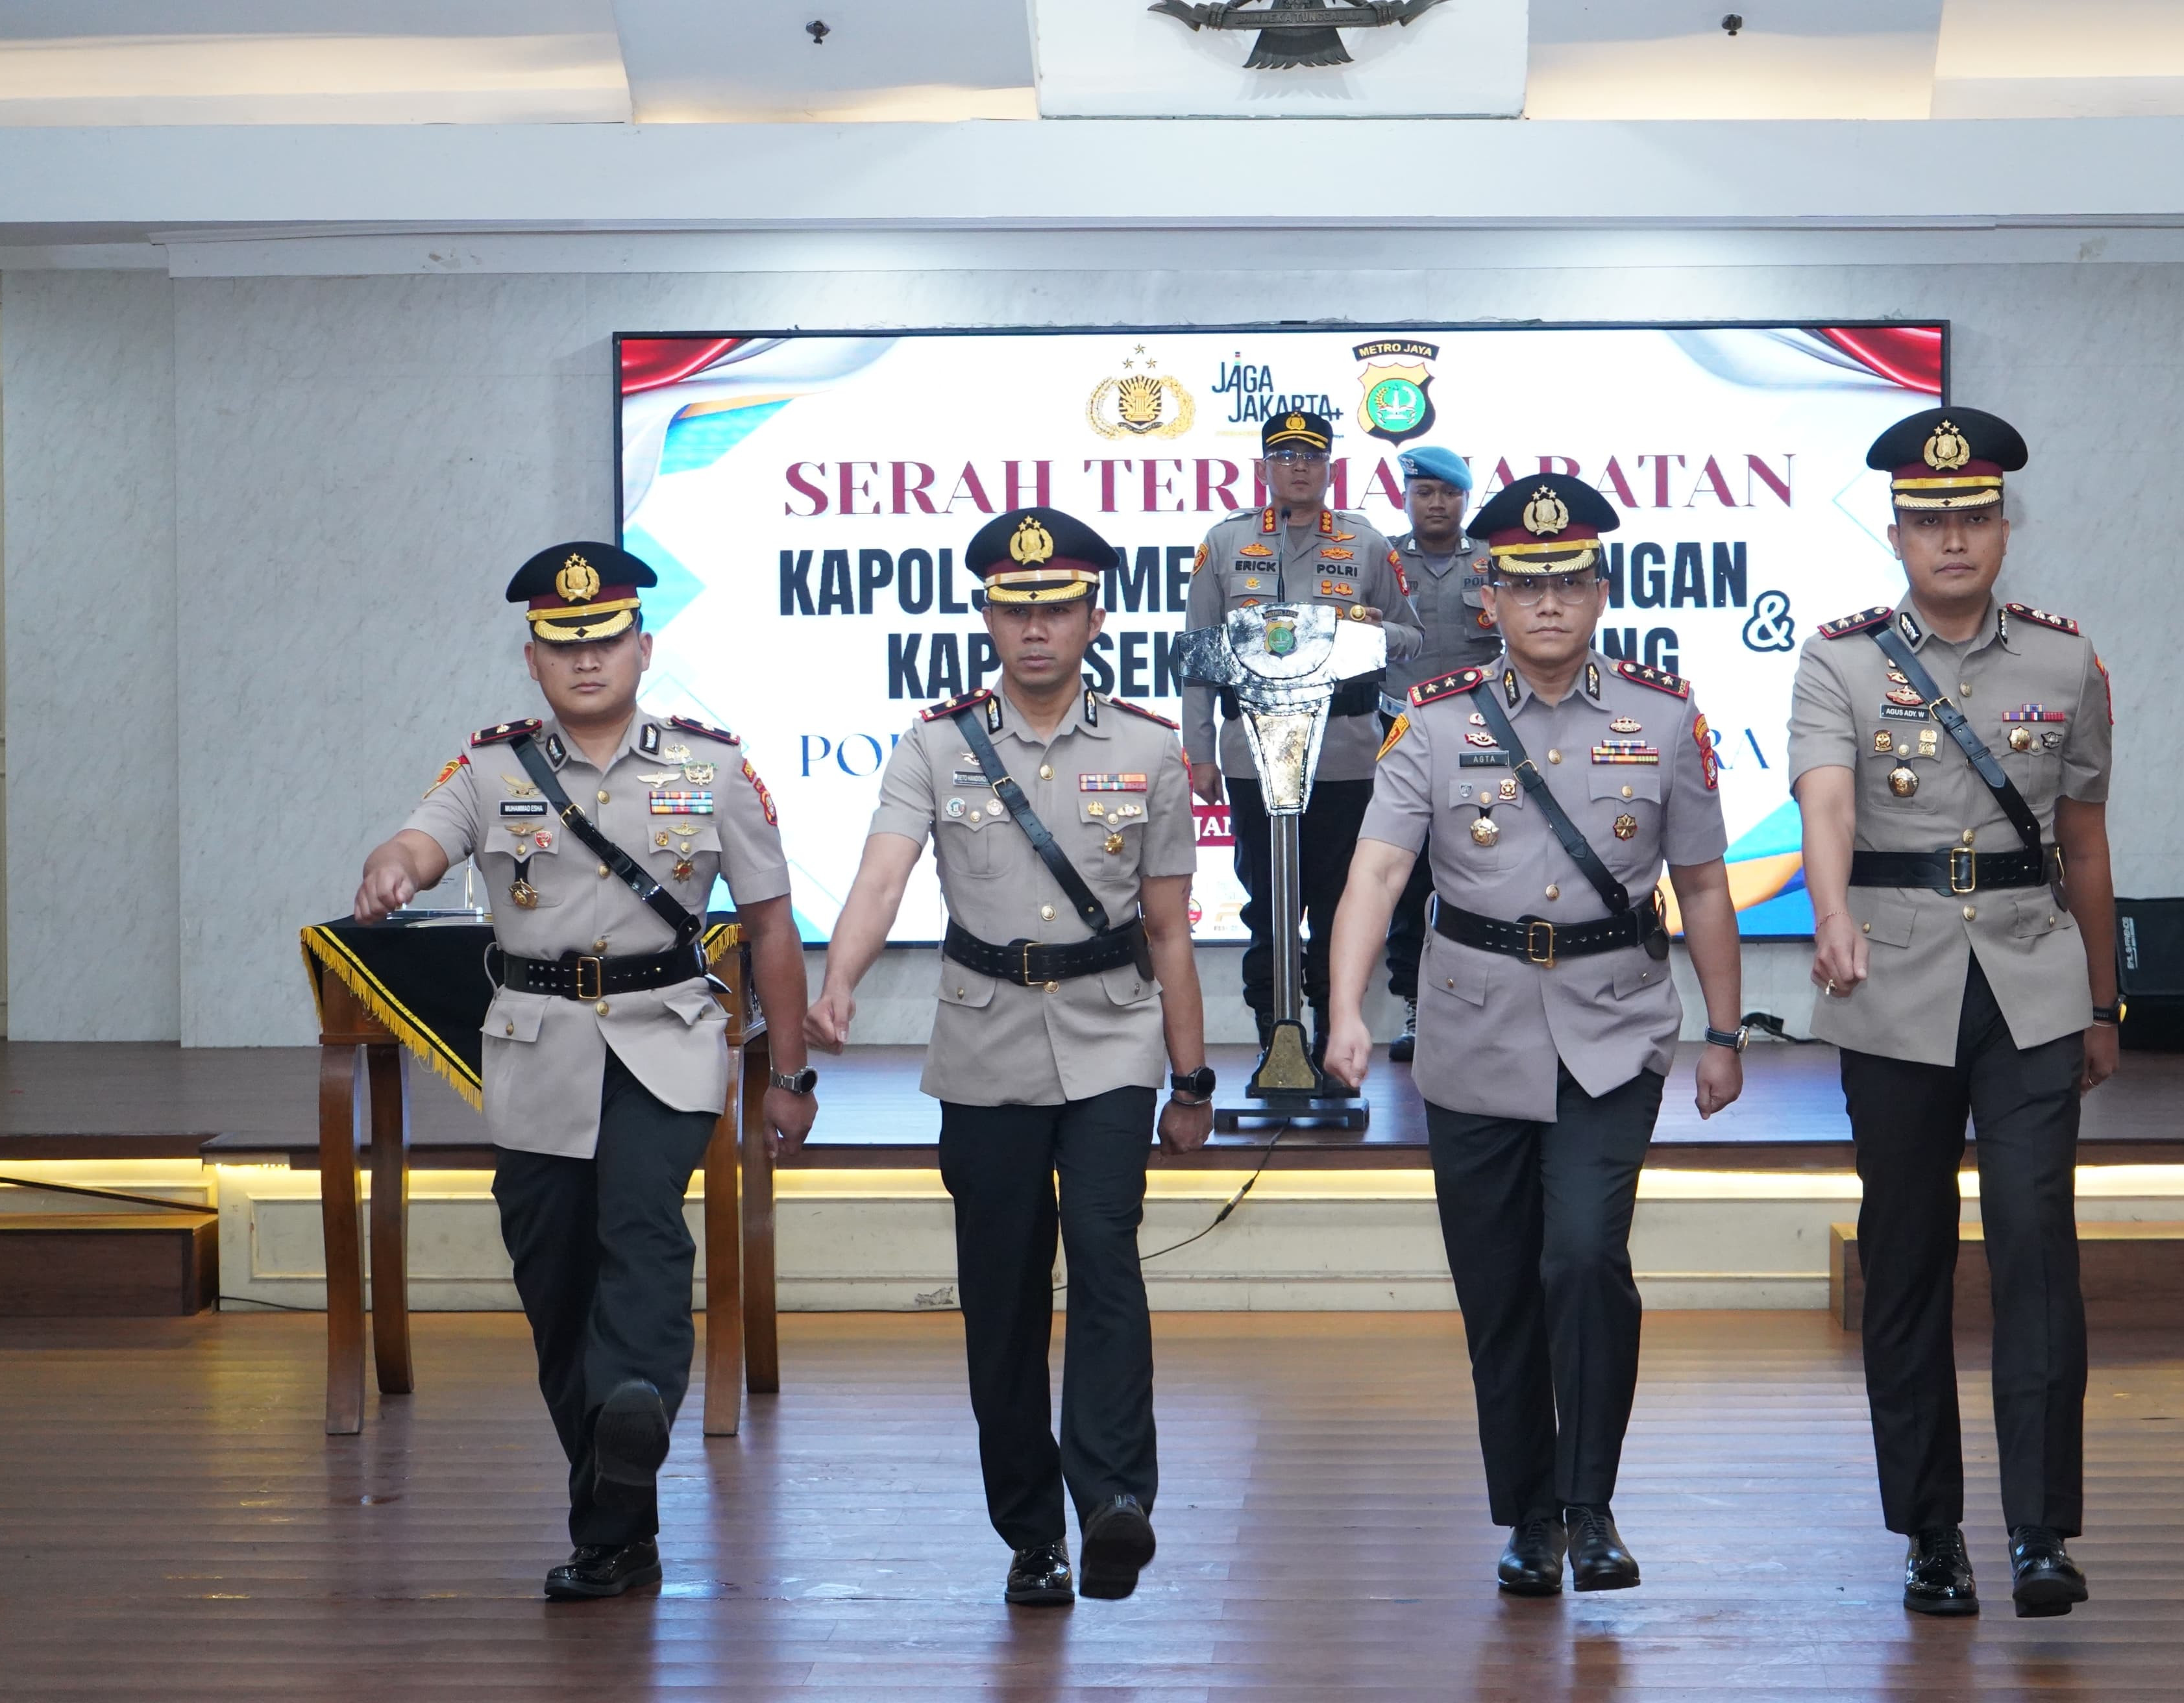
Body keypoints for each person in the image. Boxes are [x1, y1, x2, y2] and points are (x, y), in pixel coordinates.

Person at [352, 540, 817, 1601]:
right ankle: (617, 1525)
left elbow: (772, 928)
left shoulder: (713, 767)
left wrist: (789, 1071)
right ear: (533, 658)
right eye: (564, 644)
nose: (587, 658)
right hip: (534, 1050)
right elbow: (423, 841)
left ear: (643, 647)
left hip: (666, 1035)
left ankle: (639, 1392)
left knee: (642, 1223)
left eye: (606, 637)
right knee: (554, 1281)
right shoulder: (490, 768)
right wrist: (394, 864)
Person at [1322, 472, 1748, 1596]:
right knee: (1500, 1281)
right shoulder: (1438, 717)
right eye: (1525, 584)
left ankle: (1591, 1502)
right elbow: (1376, 870)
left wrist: (1724, 1029)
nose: (1548, 603)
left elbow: (1701, 885)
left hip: (1613, 1024)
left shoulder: (1662, 717)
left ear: (1601, 590)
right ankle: (1529, 1512)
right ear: (1492, 600)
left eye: (1569, 582)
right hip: (1472, 1030)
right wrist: (1346, 1007)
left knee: (1582, 1256)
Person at [805, 507, 1215, 1608]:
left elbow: (1170, 927)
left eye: (1056, 607)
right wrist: (834, 981)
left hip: (1114, 1032)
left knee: (1105, 1248)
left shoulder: (1145, 749)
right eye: (1014, 607)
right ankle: (1031, 1530)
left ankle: (1116, 1500)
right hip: (983, 1039)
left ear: (1092, 616)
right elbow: (882, 879)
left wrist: (1192, 1077)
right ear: (987, 616)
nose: (1035, 628)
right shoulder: (934, 746)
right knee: (1002, 1291)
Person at [1787, 406, 2118, 1619]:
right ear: (1896, 534)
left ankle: (2039, 1530)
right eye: (1929, 520)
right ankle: (1931, 1530)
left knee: (2038, 1248)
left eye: (1972, 516)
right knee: (1909, 1257)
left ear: (2003, 526)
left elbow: (2082, 838)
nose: (1953, 538)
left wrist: (2103, 996)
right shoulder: (1838, 660)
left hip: (2032, 979)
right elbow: (1826, 807)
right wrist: (1829, 916)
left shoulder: (2063, 661)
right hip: (1892, 984)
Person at [1183, 408, 1423, 1056]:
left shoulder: (1366, 542)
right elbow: (1199, 657)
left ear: (1329, 468)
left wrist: (1369, 632)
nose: (1298, 467)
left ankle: (1327, 1039)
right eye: (1285, 456)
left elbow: (1412, 636)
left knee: (1339, 903)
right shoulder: (1226, 542)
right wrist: (1199, 751)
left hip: (1344, 755)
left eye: (1310, 456)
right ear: (1264, 468)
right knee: (1267, 909)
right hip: (1252, 755)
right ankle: (1275, 1043)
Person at [1377, 445, 1498, 1062]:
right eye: (1425, 492)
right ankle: (1418, 1009)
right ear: (1407, 497)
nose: (1436, 503)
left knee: (1487, 873)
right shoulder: (1384, 560)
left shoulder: (1494, 563)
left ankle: (1485, 1009)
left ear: (1465, 498)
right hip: (1403, 742)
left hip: (1488, 746)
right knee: (1407, 881)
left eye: (1448, 493)